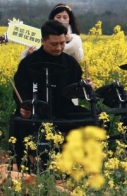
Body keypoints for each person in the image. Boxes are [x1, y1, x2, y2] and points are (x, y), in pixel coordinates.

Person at [11, 20, 95, 166]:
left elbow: (75, 89)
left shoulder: (70, 63)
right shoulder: (28, 63)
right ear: (42, 41)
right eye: (54, 44)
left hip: (64, 110)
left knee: (94, 119)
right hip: (36, 110)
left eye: (62, 43)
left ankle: (82, 163)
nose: (59, 48)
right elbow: (20, 89)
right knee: (19, 122)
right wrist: (24, 106)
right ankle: (27, 164)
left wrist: (87, 88)